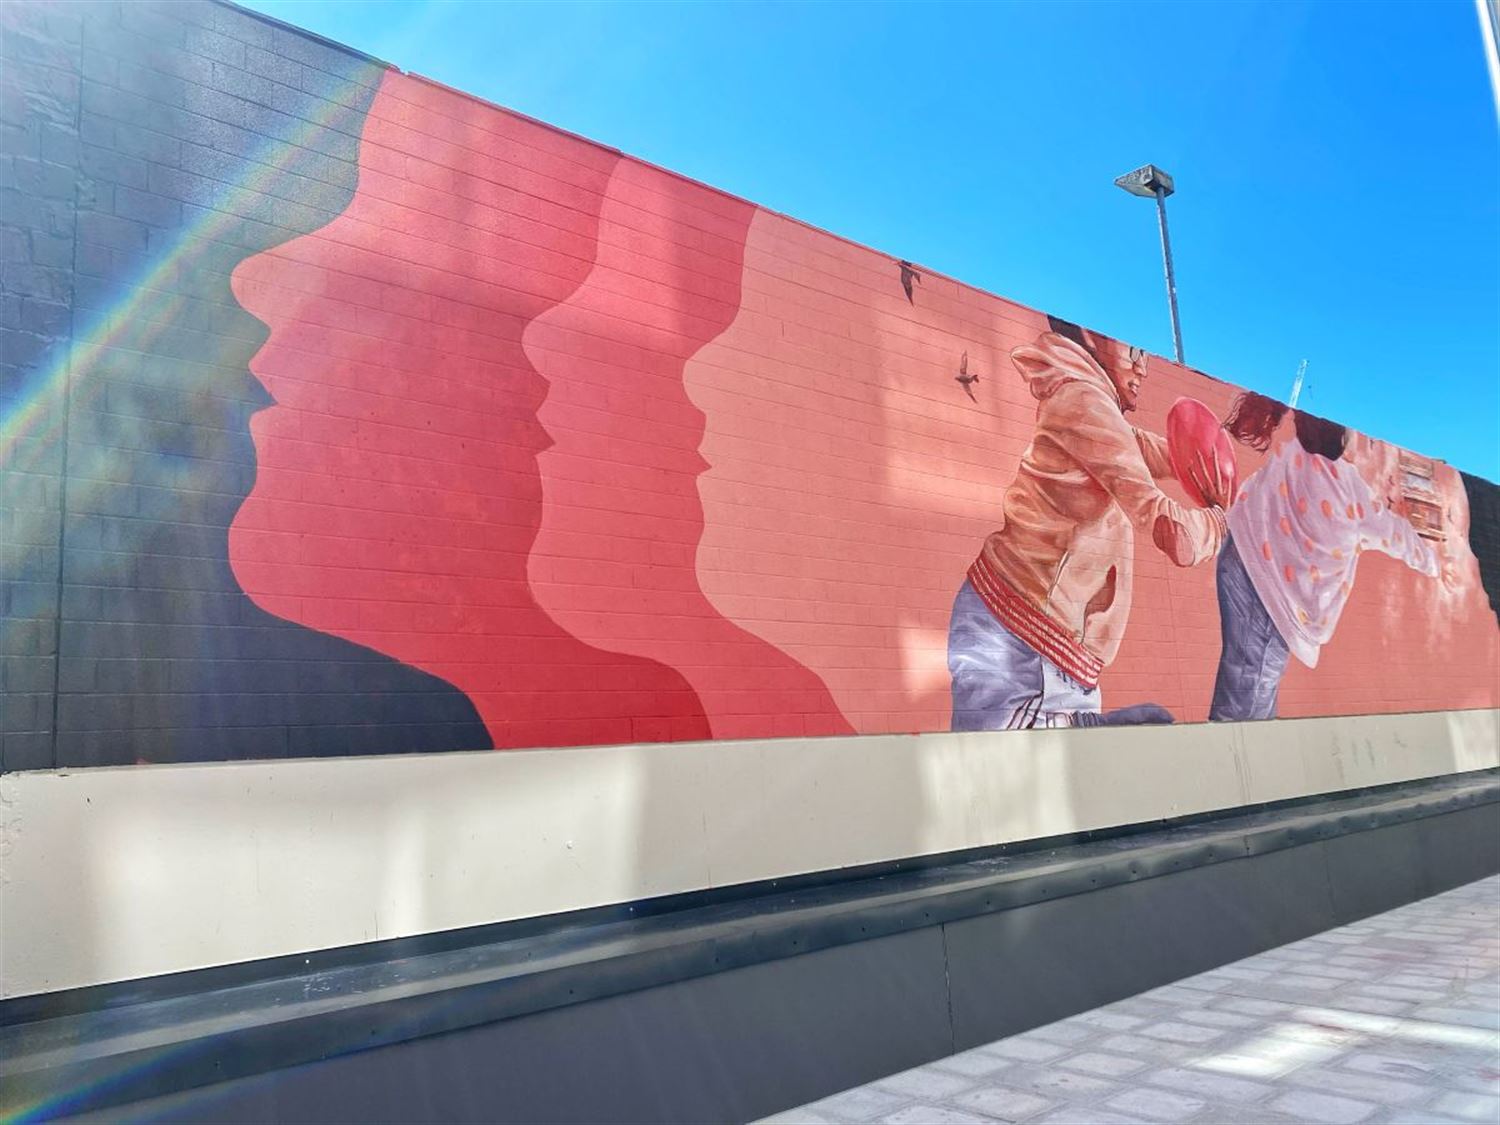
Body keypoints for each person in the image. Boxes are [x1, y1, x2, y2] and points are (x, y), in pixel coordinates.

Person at [949, 318, 1229, 731]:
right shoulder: (1084, 402)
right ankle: (1088, 730)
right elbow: (1178, 537)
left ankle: (1086, 729)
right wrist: (1221, 521)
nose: (1143, 367)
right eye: (1134, 350)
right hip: (1021, 640)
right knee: (999, 773)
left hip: (1039, 641)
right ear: (1093, 335)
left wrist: (1201, 458)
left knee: (1016, 774)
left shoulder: (1088, 403)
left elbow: (1143, 451)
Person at [1210, 393, 1450, 721]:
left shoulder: (1292, 453)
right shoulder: (1352, 491)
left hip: (1237, 555)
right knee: (1251, 688)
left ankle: (1243, 742)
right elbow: (1399, 536)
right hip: (1271, 596)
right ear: (1346, 440)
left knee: (1244, 676)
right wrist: (1436, 562)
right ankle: (1236, 758)